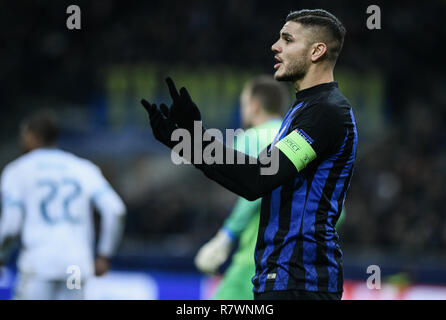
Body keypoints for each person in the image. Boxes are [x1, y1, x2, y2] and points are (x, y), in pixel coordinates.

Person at [142, 9, 357, 300]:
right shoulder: (302, 111)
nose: (275, 46)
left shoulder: (328, 112)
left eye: (287, 39)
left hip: (301, 282)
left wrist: (196, 140)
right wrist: (186, 142)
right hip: (279, 277)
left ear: (316, 51)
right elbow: (250, 180)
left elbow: (257, 179)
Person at [0, 110, 126, 300]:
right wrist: (104, 254)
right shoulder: (83, 168)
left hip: (38, 266)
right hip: (74, 268)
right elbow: (115, 210)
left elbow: (11, 224)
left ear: (32, 136)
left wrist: (1, 254)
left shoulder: (17, 170)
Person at [194, 76, 288, 300]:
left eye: (243, 103)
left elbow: (254, 191)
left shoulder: (252, 138)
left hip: (256, 258)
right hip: (299, 263)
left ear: (254, 105)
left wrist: (226, 235)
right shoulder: (299, 138)